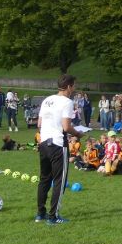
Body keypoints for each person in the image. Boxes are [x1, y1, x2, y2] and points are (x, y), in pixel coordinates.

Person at [36, 74, 83, 225]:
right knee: (59, 181)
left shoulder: (47, 100)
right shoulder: (67, 102)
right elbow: (66, 127)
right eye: (73, 86)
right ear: (69, 86)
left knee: (44, 179)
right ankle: (53, 217)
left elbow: (39, 123)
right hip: (57, 144)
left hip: (44, 143)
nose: (74, 88)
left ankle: (40, 214)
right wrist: (78, 134)